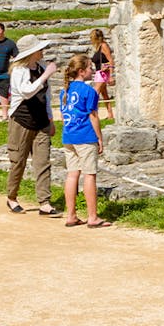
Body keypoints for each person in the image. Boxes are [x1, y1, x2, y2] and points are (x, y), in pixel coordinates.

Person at [5, 34, 58, 216]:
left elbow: (47, 97)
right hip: (21, 121)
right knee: (18, 161)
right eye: (40, 49)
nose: (43, 51)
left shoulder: (41, 67)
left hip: (41, 121)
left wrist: (50, 119)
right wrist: (45, 75)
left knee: (43, 162)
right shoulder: (19, 71)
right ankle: (11, 197)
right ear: (32, 52)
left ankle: (44, 202)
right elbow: (27, 92)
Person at [59, 55, 109, 228]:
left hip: (68, 136)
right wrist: (100, 138)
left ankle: (71, 215)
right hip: (85, 136)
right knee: (89, 174)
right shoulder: (88, 91)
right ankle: (92, 217)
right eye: (90, 68)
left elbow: (64, 115)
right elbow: (93, 116)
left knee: (72, 174)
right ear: (82, 71)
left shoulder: (64, 91)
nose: (92, 71)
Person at [88, 28, 115, 115]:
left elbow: (110, 59)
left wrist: (111, 75)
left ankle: (93, 113)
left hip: (102, 73)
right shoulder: (99, 46)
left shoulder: (103, 46)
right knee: (104, 94)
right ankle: (110, 113)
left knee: (95, 93)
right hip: (99, 72)